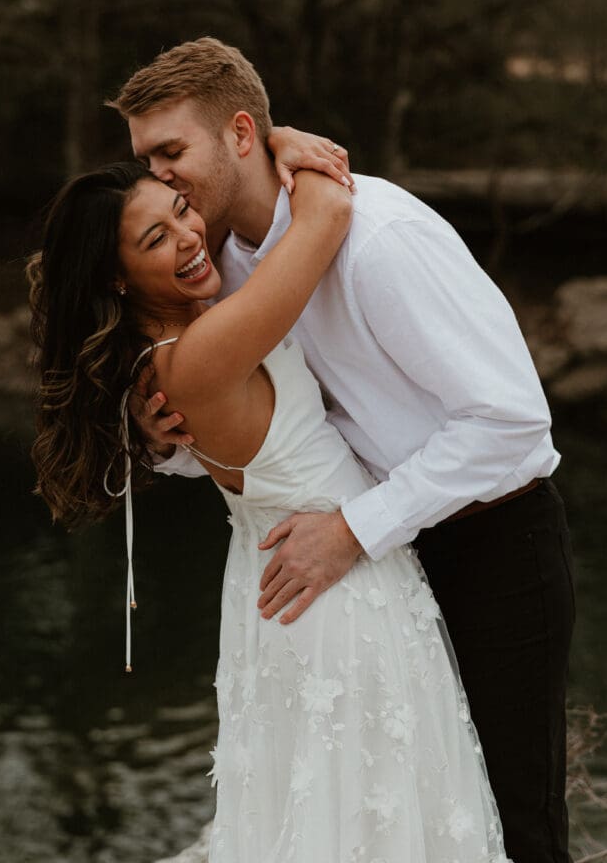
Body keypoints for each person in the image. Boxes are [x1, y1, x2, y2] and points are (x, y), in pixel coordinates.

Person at [108, 37, 575, 863]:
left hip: (493, 546)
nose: (159, 178)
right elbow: (277, 431)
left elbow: (510, 424)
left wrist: (356, 528)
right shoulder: (221, 268)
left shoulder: (378, 238)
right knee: (395, 810)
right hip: (375, 575)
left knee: (507, 821)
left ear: (243, 135)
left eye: (171, 152)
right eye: (146, 158)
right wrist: (164, 442)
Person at [30, 160, 512, 862]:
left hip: (291, 579)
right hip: (333, 597)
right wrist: (282, 142)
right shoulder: (203, 351)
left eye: (181, 209)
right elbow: (324, 217)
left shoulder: (171, 354)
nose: (191, 236)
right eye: (156, 238)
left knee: (347, 813)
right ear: (117, 276)